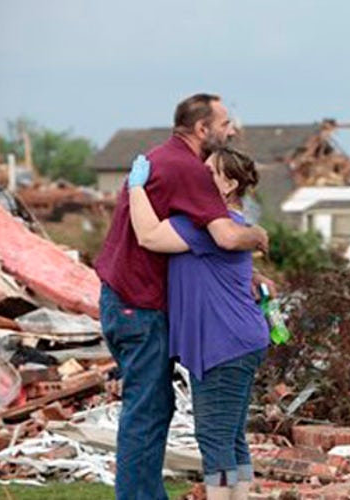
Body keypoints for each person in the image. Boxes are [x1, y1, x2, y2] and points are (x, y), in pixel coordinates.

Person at [94, 93, 269, 500]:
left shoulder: (161, 161)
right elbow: (178, 236)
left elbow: (214, 245)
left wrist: (135, 186)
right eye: (224, 124)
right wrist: (259, 237)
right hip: (152, 311)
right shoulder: (190, 174)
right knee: (188, 425)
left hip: (177, 324)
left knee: (200, 430)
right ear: (202, 129)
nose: (231, 130)